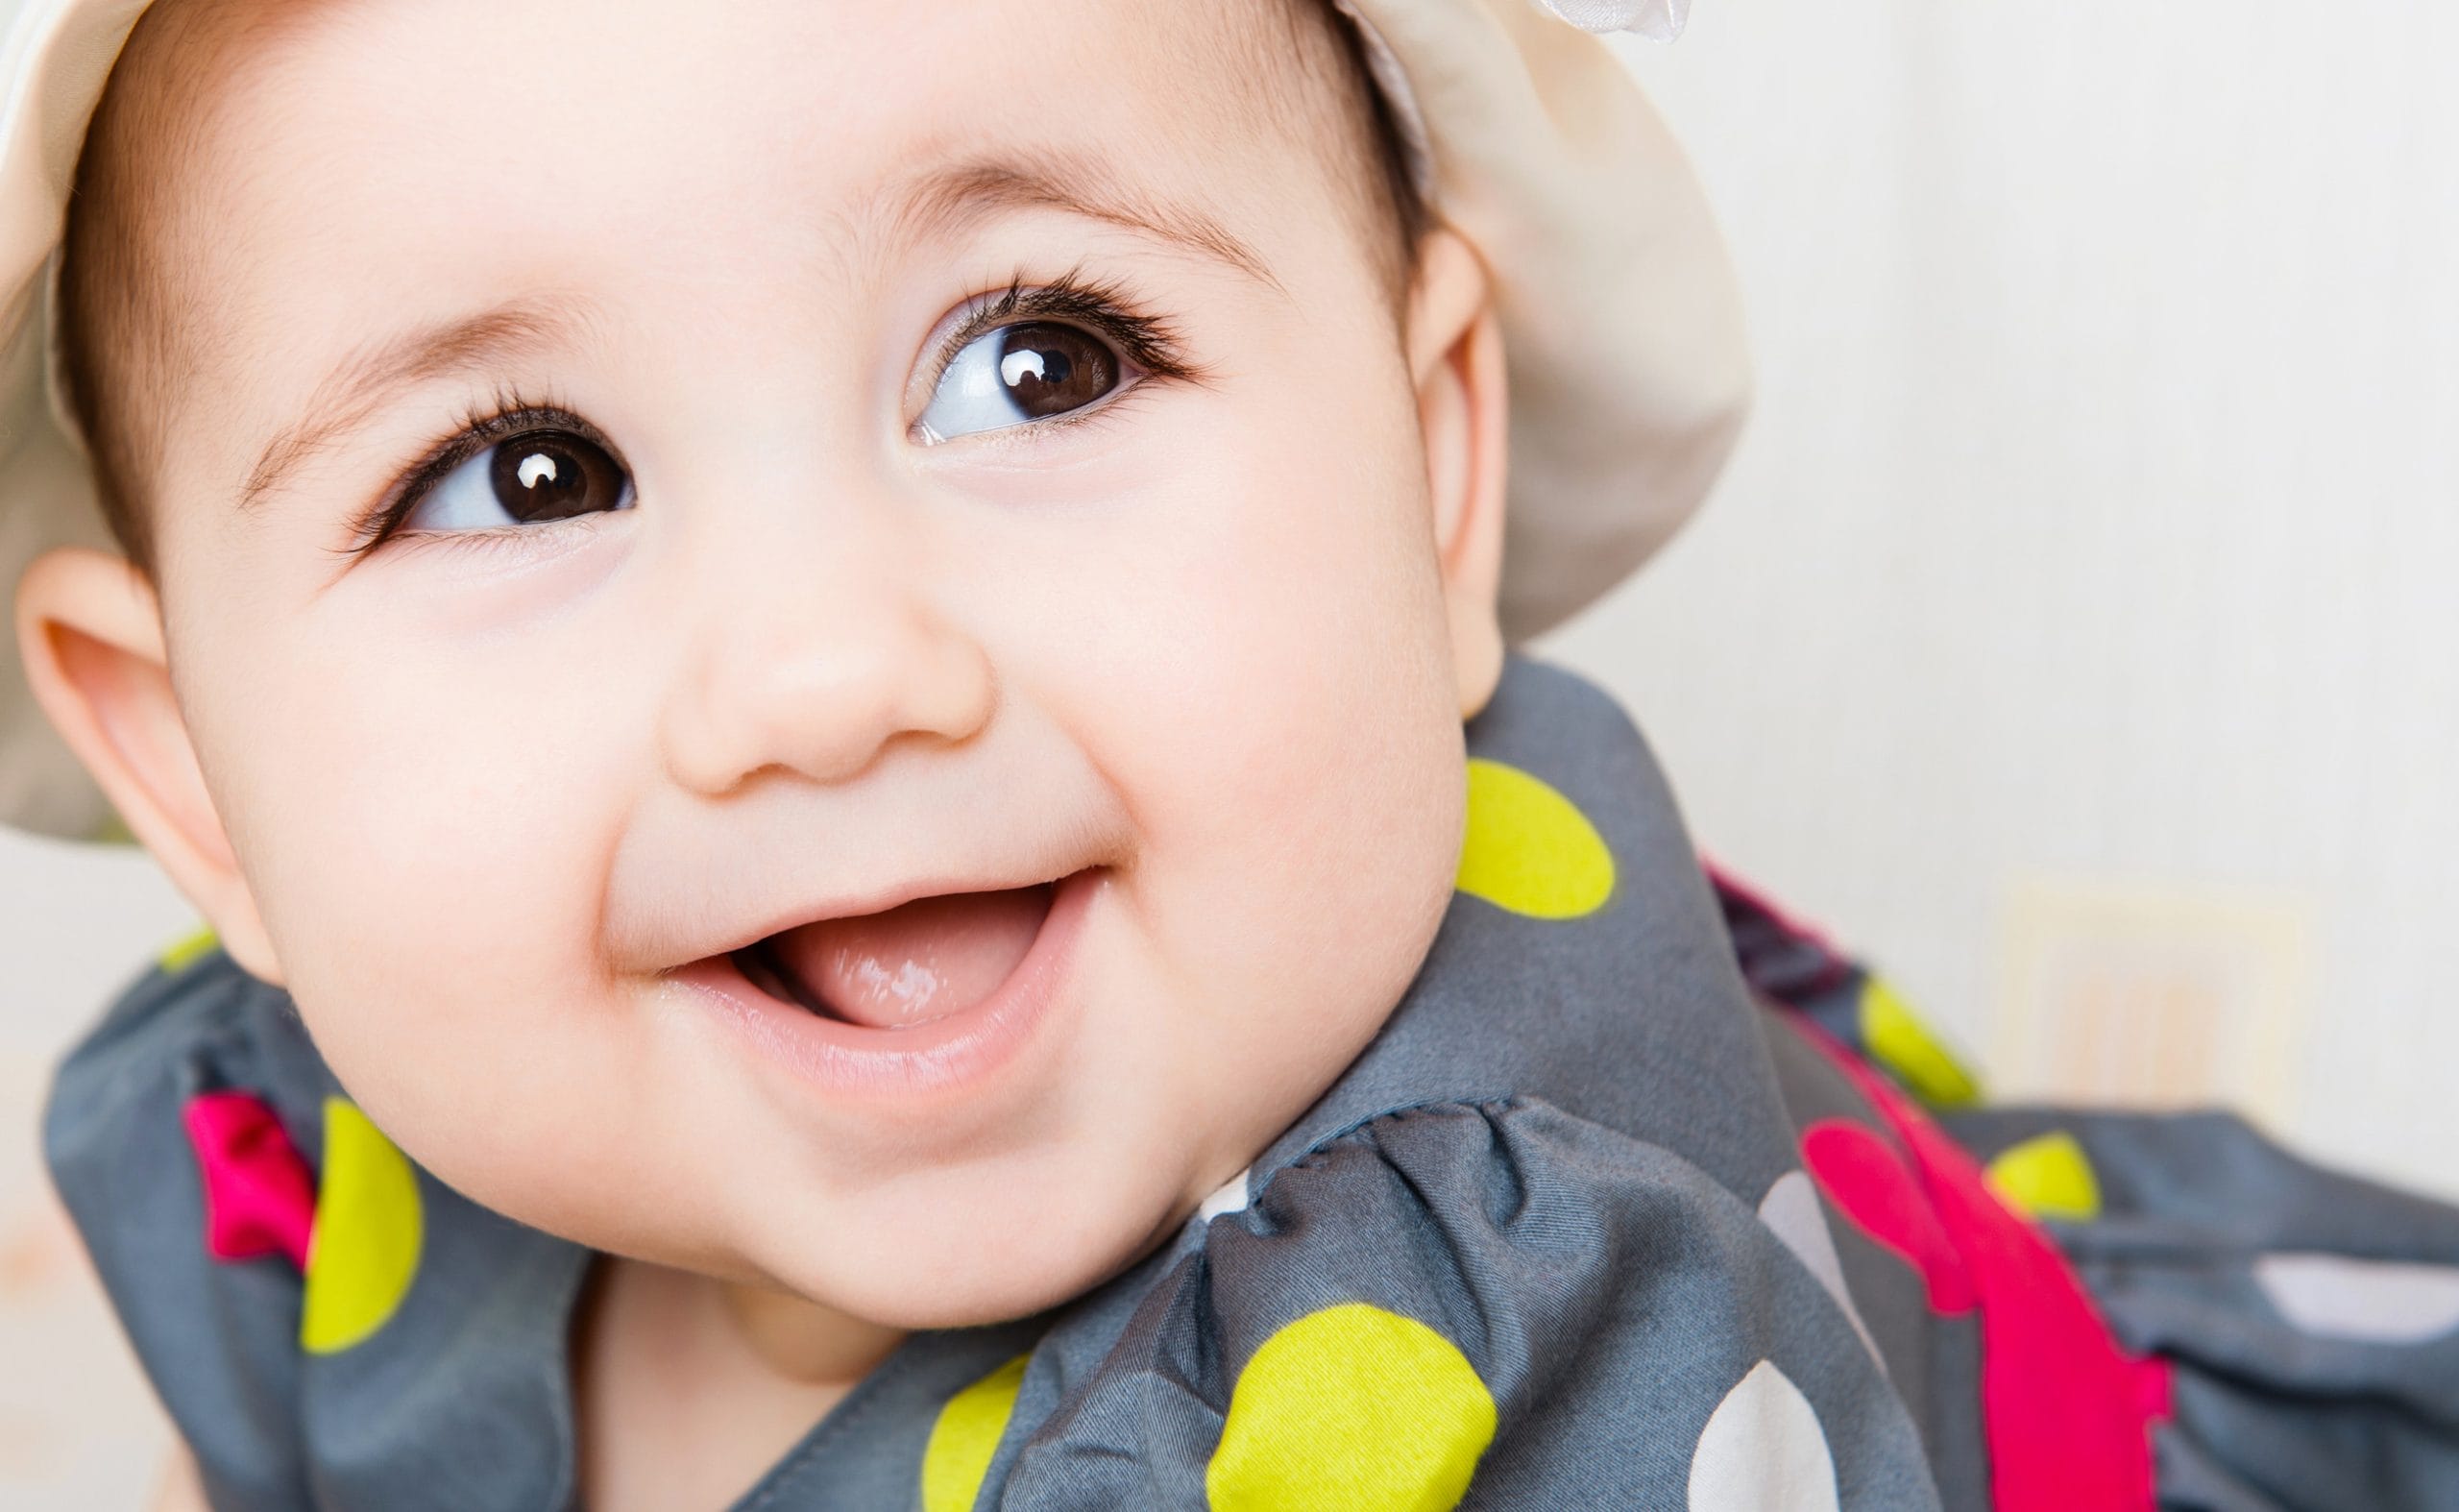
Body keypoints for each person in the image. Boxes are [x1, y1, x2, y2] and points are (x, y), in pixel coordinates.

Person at [8, 1, 2457, 1508]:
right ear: (195, 777)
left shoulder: (1536, 1343)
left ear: (1427, 469)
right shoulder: (292, 1166)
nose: (828, 672)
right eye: (523, 472)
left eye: (1041, 359)